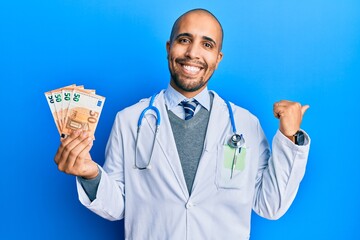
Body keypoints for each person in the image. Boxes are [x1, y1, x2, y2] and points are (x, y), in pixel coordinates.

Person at [54, 8, 310, 240]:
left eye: (207, 44)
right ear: (169, 47)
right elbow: (119, 206)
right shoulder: (130, 120)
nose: (193, 53)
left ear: (218, 58)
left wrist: (290, 138)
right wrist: (90, 174)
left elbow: (270, 205)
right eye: (184, 40)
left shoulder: (245, 124)